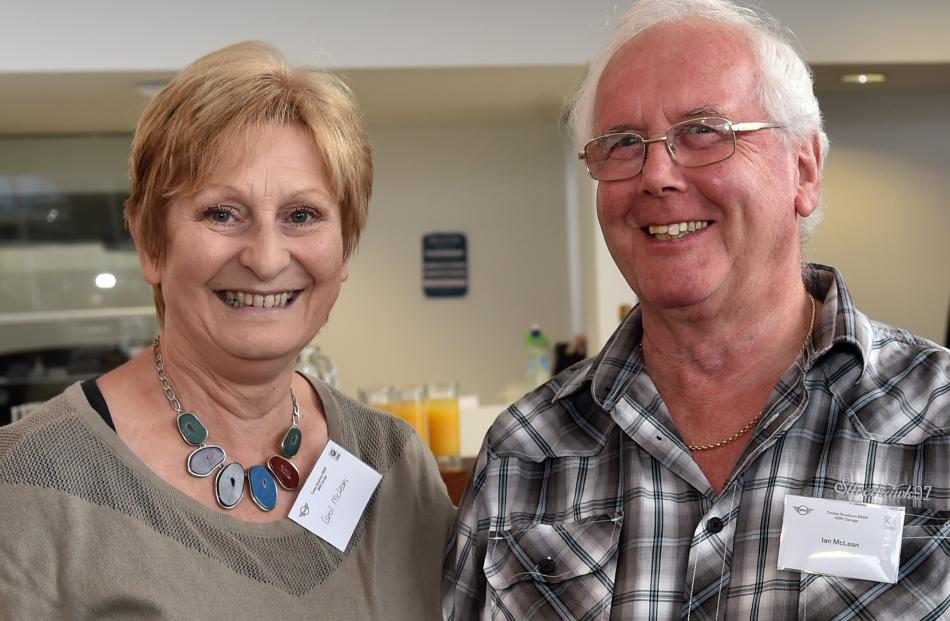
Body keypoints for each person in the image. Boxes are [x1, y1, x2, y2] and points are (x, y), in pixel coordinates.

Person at [443, 0, 949, 618]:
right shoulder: (527, 453)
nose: (657, 173)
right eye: (623, 143)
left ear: (805, 169)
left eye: (704, 131)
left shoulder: (936, 421)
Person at [0, 42, 454, 618]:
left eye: (302, 215)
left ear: (345, 249)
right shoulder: (28, 480)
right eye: (221, 213)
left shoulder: (394, 466)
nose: (266, 259)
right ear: (149, 242)